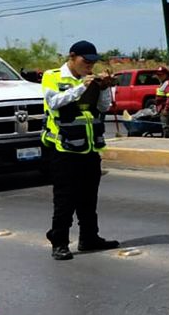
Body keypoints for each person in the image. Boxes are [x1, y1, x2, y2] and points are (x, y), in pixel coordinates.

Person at [41, 40, 120, 261]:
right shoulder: (53, 76)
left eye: (93, 62)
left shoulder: (92, 79)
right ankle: (59, 242)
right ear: (72, 57)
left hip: (89, 147)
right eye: (86, 62)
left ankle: (89, 237)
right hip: (64, 149)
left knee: (88, 197)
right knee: (65, 198)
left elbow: (103, 108)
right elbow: (54, 102)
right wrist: (81, 87)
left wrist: (104, 88)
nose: (90, 66)